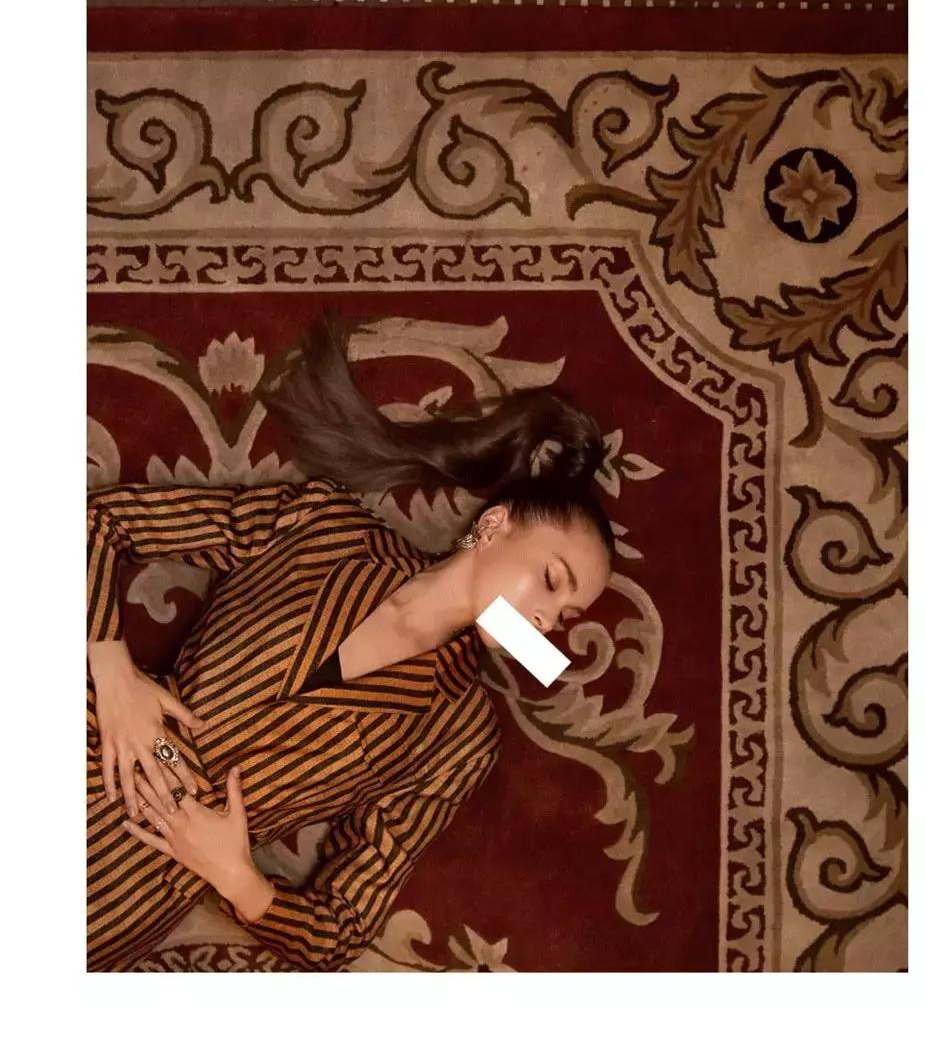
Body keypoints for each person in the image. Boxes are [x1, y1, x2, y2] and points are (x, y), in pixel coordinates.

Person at [86, 308, 615, 971]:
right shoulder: (323, 526)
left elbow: (343, 928)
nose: (545, 619)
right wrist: (114, 674)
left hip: (125, 891)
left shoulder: (460, 735)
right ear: (494, 526)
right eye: (551, 580)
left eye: (563, 616)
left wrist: (239, 880)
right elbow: (99, 523)